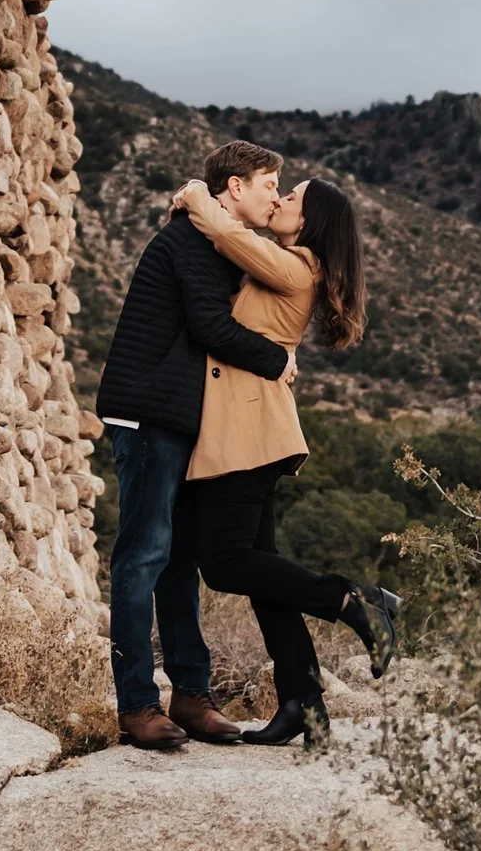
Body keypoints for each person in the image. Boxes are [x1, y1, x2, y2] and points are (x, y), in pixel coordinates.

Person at [174, 173, 401, 749]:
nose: (278, 200)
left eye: (291, 196)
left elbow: (231, 238)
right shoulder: (291, 264)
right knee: (261, 570)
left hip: (250, 429)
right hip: (247, 427)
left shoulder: (298, 265)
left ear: (309, 221)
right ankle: (306, 704)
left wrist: (199, 194)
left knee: (225, 564)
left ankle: (354, 602)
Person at [95, 140, 298, 750]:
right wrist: (276, 360)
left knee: (179, 561)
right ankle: (136, 705)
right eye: (268, 185)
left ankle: (189, 696)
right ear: (235, 188)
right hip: (148, 414)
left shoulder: (211, 240)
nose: (273, 196)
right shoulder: (192, 242)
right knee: (144, 556)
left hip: (180, 420)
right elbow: (212, 325)